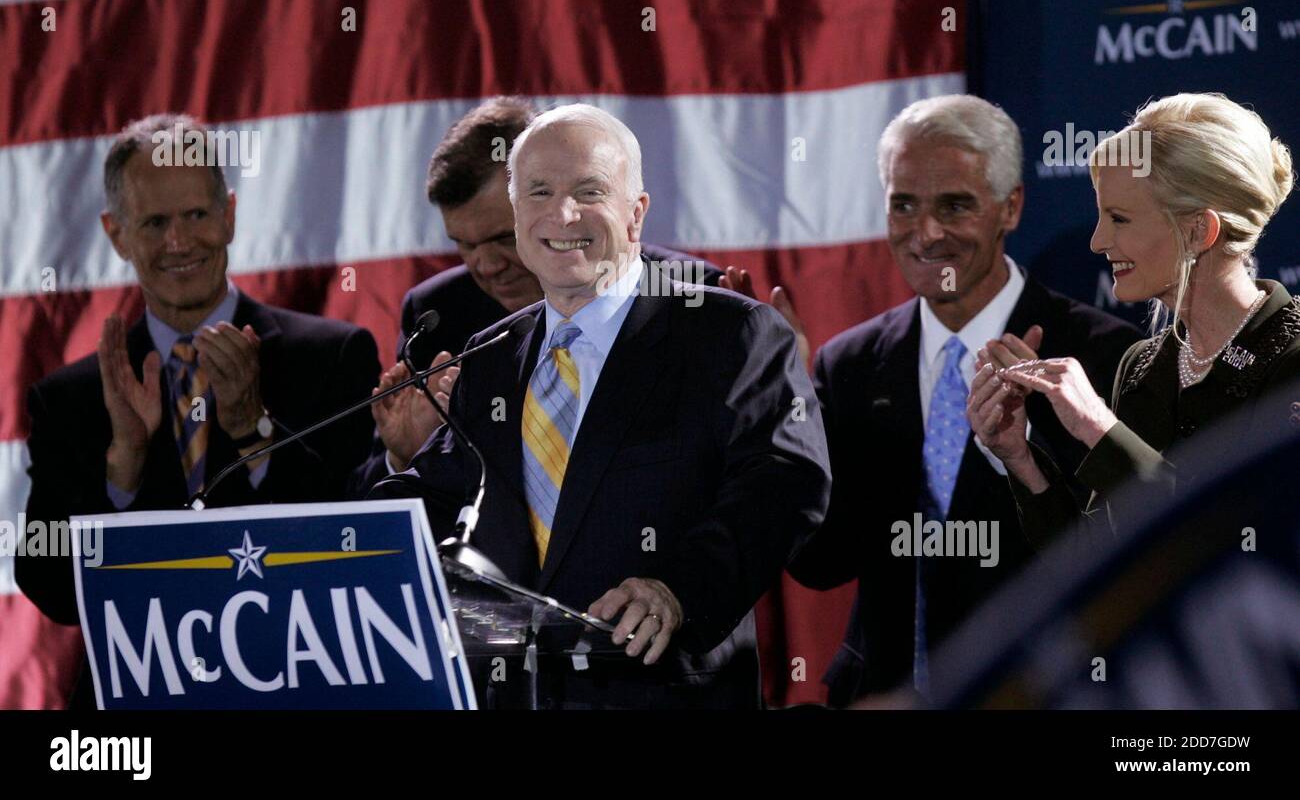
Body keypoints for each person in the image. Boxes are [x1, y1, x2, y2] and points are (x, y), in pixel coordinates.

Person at [371, 104, 830, 709]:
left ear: (636, 213)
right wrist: (336, 539)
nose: (562, 214)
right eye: (539, 192)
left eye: (589, 191)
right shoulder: (489, 356)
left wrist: (677, 589)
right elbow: (442, 496)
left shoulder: (727, 333)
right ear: (517, 215)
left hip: (662, 691)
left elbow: (785, 484)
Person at [774, 94, 1139, 705]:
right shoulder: (848, 364)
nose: (927, 233)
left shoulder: (1104, 357)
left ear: (1011, 208)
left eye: (955, 206)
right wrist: (786, 397)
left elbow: (1121, 565)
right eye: (904, 205)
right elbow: (820, 564)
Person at [18, 114, 381, 627]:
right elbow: (51, 589)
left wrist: (255, 430)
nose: (180, 242)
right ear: (116, 234)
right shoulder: (70, 399)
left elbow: (360, 545)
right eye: (155, 223)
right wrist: (123, 468)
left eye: (196, 215)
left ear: (228, 215)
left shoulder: (334, 356)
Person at [970, 92, 1299, 548]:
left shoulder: (1291, 360)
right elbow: (1103, 569)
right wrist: (1022, 460)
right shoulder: (1142, 365)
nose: (1097, 241)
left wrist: (1099, 428)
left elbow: (1248, 554)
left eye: (1119, 219)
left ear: (1198, 230)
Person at [353, 97, 721, 488]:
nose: (485, 266)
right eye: (464, 245)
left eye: (500, 238)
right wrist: (407, 457)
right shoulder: (439, 313)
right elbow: (367, 505)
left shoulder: (692, 296)